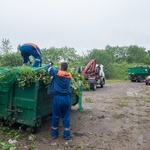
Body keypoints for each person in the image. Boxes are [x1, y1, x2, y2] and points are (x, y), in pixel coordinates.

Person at [45, 61, 72, 140]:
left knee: (56, 115)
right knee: (66, 116)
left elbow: (47, 68)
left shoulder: (57, 73)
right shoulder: (69, 75)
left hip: (58, 98)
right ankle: (67, 135)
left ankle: (55, 134)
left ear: (61, 67)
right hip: (67, 98)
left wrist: (50, 63)